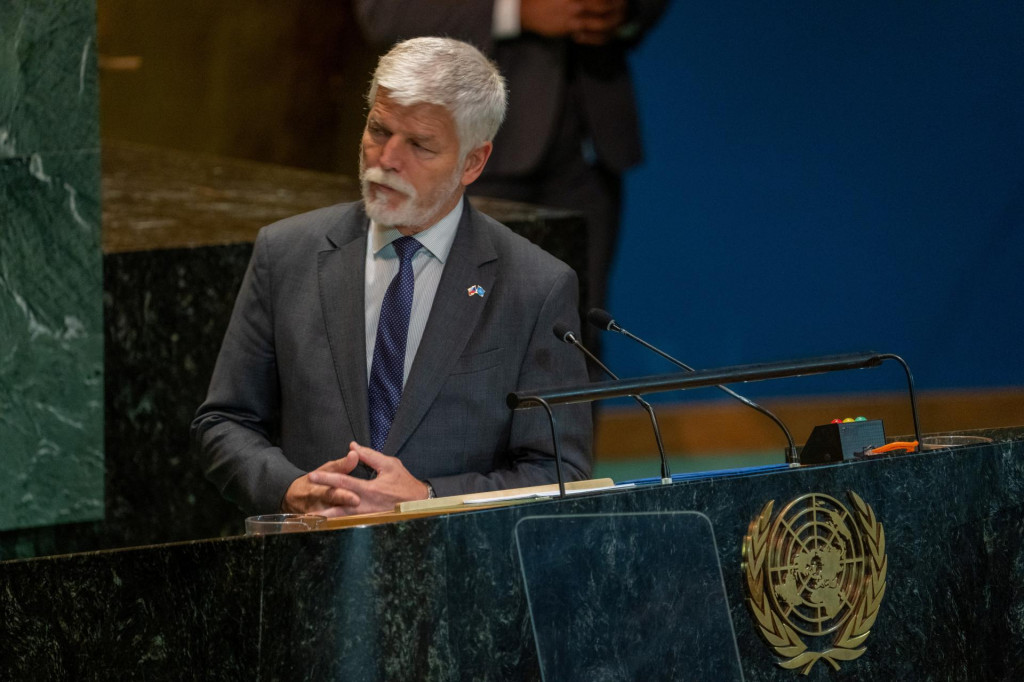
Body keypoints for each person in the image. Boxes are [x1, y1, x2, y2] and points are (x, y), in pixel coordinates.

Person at [191, 37, 592, 517]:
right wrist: (290, 488)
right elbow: (224, 422)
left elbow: (558, 473)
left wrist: (426, 498)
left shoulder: (534, 286)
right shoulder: (287, 253)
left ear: (473, 161)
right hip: (311, 569)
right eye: (379, 130)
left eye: (420, 145)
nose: (387, 159)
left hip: (456, 573)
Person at [353, 0, 670, 350]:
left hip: (589, 149)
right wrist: (515, 11)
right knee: (457, 339)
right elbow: (385, 11)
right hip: (470, 145)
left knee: (578, 340)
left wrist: (624, 12)